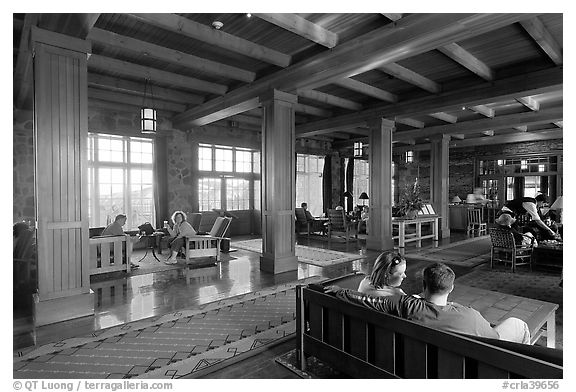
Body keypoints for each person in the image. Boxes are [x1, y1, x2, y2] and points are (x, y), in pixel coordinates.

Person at [325, 262, 530, 343]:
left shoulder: (406, 305)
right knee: (518, 324)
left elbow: (366, 300)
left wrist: (339, 292)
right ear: (451, 288)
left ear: (423, 285)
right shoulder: (470, 317)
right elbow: (493, 340)